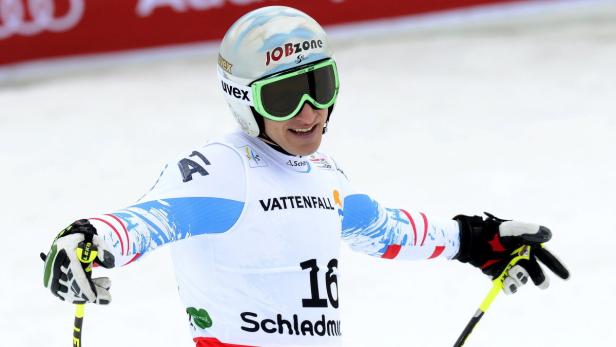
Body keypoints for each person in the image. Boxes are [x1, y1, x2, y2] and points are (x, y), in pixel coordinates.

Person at [41, 6, 569, 347]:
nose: (310, 109)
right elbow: (147, 221)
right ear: (244, 102)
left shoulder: (325, 175)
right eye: (284, 95)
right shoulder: (226, 169)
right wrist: (88, 240)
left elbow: (385, 231)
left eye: (320, 84)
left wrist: (474, 239)